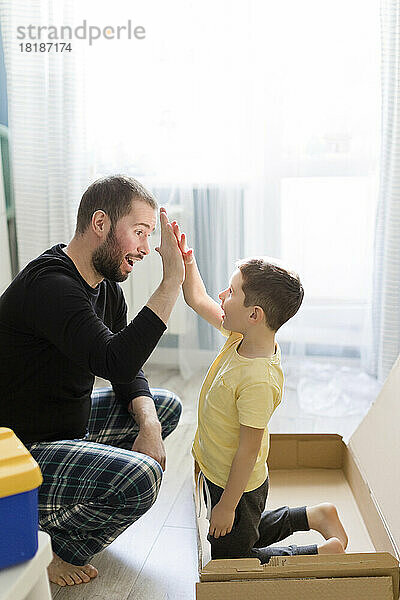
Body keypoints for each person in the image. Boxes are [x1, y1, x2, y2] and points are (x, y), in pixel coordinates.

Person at [0, 175, 185, 586]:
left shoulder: (103, 286)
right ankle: (48, 549)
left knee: (163, 407)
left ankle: (74, 492)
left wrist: (150, 426)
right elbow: (115, 361)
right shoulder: (51, 285)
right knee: (142, 477)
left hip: (65, 428)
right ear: (100, 222)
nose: (145, 248)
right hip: (16, 455)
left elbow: (127, 371)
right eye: (139, 232)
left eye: (150, 235)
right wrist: (173, 281)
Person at [171, 222, 348, 563]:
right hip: (219, 472)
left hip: (237, 483)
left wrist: (227, 505)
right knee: (234, 531)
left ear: (254, 314)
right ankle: (314, 516)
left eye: (231, 292)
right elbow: (196, 299)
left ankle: (319, 552)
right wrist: (187, 262)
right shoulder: (242, 336)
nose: (222, 296)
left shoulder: (257, 380)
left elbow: (248, 452)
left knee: (233, 559)